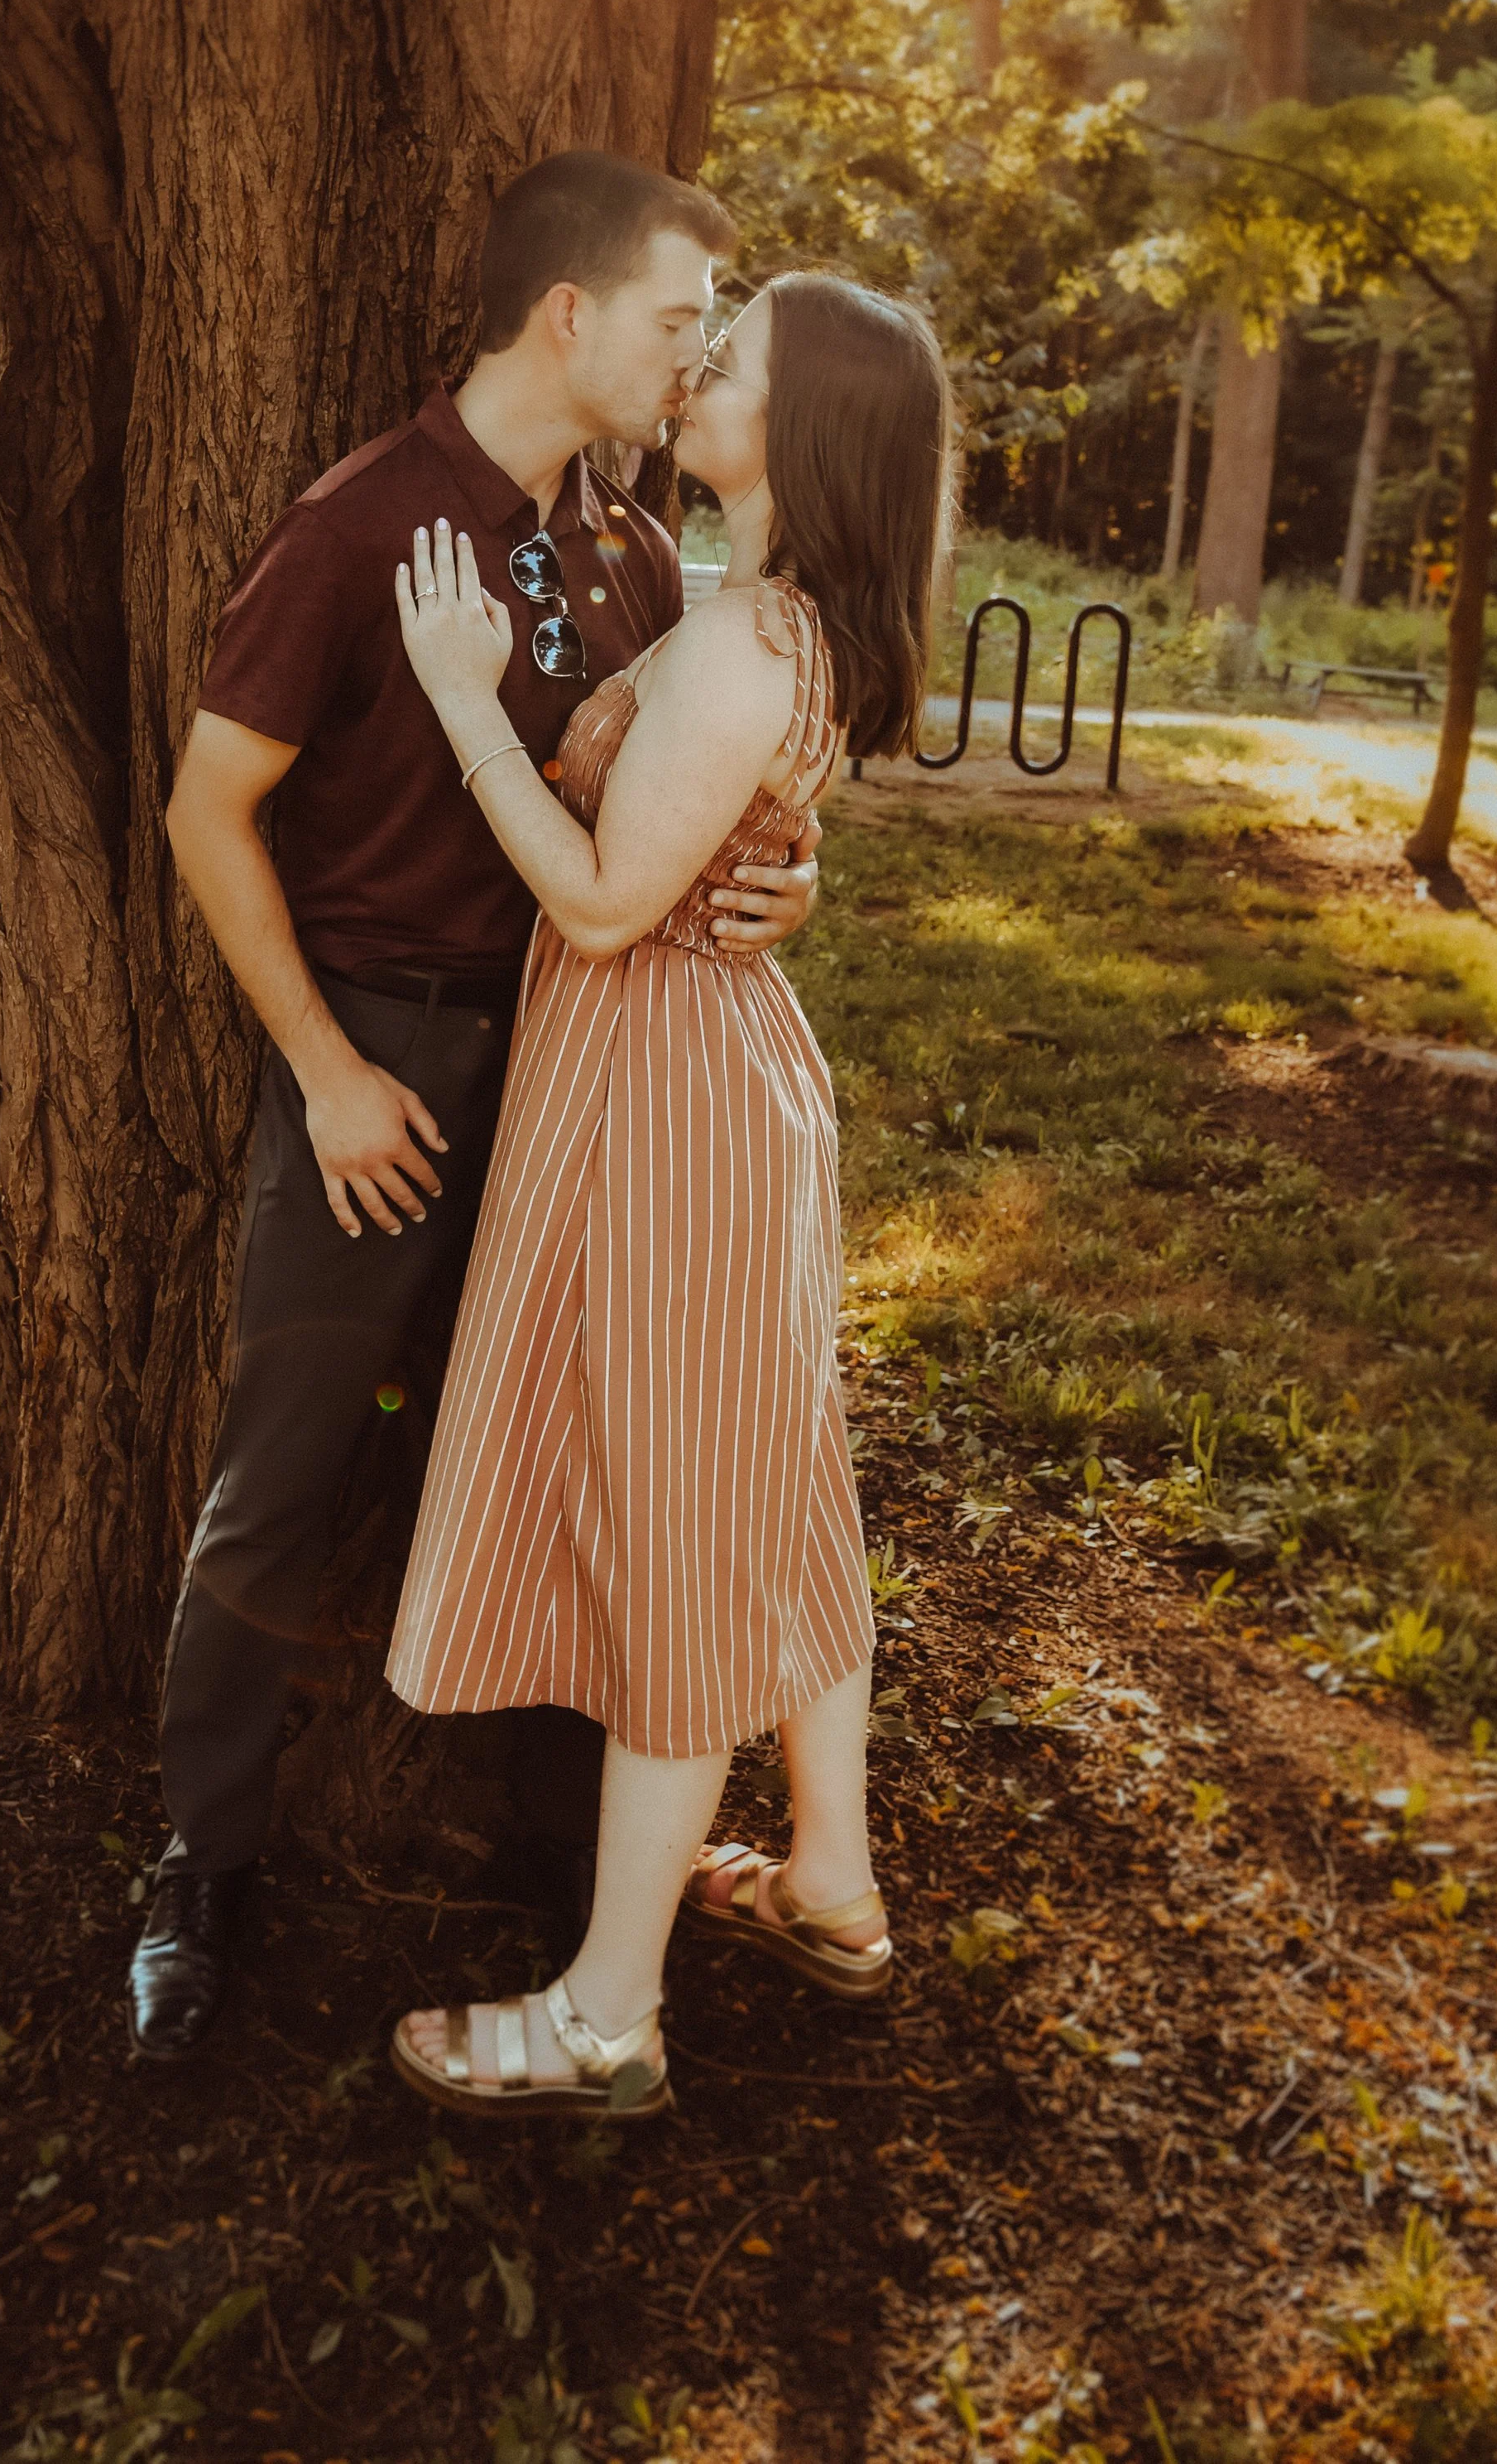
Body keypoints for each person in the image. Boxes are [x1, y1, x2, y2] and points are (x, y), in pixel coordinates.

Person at [129, 152, 822, 2062]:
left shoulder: (628, 545)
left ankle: (563, 1842)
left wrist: (789, 879)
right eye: (681, 316)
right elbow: (208, 810)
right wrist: (328, 1072)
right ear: (568, 314)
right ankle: (200, 1866)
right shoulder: (358, 526)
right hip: (384, 1061)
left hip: (575, 1060)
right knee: (279, 1481)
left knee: (556, 1453)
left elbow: (694, 780)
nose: (695, 357)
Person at [383, 268, 953, 2117]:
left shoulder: (740, 641)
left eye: (740, 362)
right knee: (770, 1480)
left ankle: (606, 2014)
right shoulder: (756, 618)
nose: (702, 373)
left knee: (683, 1526)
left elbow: (612, 904)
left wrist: (470, 704)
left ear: (807, 432)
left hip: (671, 1101)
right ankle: (832, 1888)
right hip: (707, 1079)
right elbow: (737, 828)